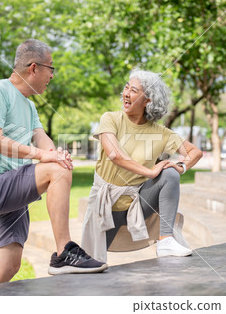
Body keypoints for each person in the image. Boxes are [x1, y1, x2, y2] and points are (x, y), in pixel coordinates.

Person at [0, 39, 107, 285]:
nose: (52, 76)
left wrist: (57, 154)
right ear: (34, 68)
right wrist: (44, 158)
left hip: (13, 191)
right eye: (51, 68)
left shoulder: (30, 105)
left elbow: (42, 139)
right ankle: (64, 252)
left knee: (10, 265)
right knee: (55, 171)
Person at [81, 69, 203, 263]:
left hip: (137, 204)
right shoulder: (110, 119)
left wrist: (181, 166)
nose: (126, 94)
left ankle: (165, 240)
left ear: (148, 100)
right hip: (105, 205)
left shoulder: (162, 133)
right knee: (90, 263)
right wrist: (150, 171)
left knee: (170, 174)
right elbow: (114, 154)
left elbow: (195, 152)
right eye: (126, 88)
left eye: (134, 90)